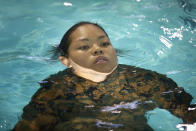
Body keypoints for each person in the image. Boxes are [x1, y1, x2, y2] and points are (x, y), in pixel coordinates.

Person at [13, 21, 196, 131]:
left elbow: (188, 112)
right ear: (65, 61)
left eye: (105, 43)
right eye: (84, 47)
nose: (98, 49)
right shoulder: (53, 93)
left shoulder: (144, 81)